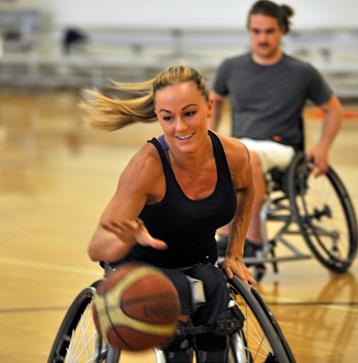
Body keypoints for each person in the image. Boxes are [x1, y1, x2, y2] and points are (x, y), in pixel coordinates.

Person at [83, 65, 256, 363]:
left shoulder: (234, 155)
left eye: (189, 113)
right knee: (176, 309)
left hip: (196, 259)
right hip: (141, 267)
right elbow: (96, 247)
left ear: (209, 107)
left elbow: (247, 191)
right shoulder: (146, 168)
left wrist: (235, 252)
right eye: (168, 118)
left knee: (216, 296)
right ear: (158, 117)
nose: (180, 127)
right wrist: (124, 240)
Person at [210, 0, 343, 254]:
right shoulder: (231, 67)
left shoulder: (302, 72)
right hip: (242, 144)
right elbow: (214, 101)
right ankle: (223, 236)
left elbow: (333, 109)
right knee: (225, 155)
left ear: (282, 30)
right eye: (256, 31)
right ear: (249, 31)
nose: (262, 38)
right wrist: (211, 135)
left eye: (269, 31)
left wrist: (323, 147)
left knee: (248, 157)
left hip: (282, 149)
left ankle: (253, 241)